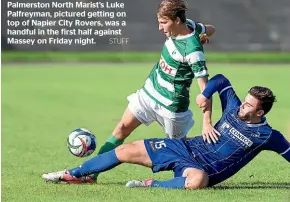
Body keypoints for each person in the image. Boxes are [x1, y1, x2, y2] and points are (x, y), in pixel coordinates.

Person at [42, 74, 290, 189]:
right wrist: (205, 96)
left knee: (198, 181)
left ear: (260, 113)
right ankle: (73, 174)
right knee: (125, 149)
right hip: (185, 147)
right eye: (244, 100)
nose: (242, 106)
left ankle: (151, 185)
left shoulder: (268, 136)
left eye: (249, 105)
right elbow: (221, 80)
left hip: (202, 169)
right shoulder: (233, 107)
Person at [89, 0, 217, 181]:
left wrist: (206, 122)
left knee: (177, 151)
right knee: (121, 128)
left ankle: (193, 176)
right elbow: (211, 28)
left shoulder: (193, 51)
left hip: (172, 107)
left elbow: (205, 90)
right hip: (149, 93)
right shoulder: (190, 24)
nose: (160, 27)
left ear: (177, 20)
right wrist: (204, 33)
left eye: (164, 22)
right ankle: (91, 173)